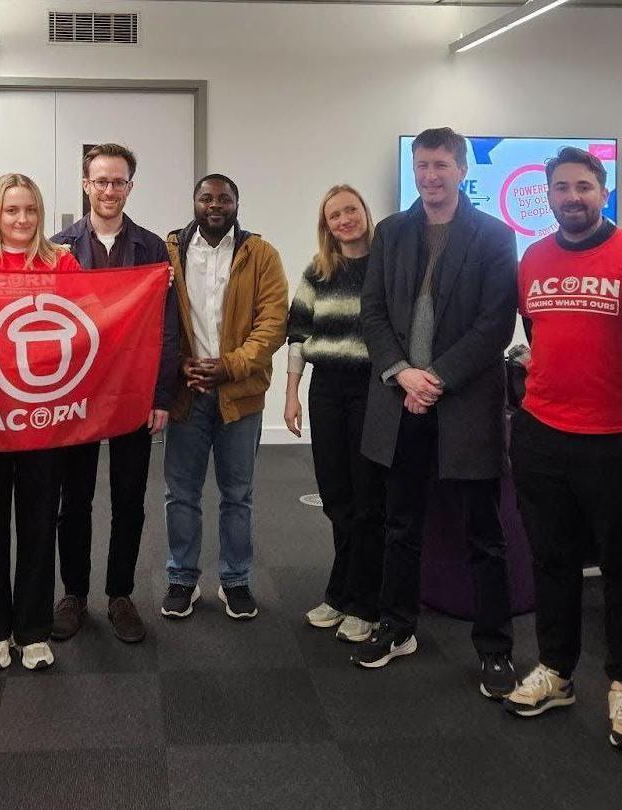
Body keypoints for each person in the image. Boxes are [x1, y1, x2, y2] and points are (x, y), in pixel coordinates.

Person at [501, 147, 622, 751]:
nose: (573, 197)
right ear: (548, 194)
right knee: (552, 560)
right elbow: (538, 333)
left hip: (619, 435)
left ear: (603, 191)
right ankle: (557, 670)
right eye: (562, 188)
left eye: (584, 186)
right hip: (541, 432)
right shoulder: (533, 259)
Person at [356, 127, 518, 697]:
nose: (430, 176)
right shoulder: (392, 232)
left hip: (465, 405)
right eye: (422, 165)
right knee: (399, 525)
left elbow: (496, 324)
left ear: (462, 167)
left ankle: (495, 649)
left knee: (484, 534)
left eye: (441, 165)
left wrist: (439, 377)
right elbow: (372, 312)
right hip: (400, 403)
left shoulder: (496, 235)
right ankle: (397, 627)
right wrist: (403, 373)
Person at [48, 143, 178, 645]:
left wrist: (161, 395)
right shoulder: (58, 247)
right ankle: (74, 594)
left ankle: (121, 594)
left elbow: (168, 328)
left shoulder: (152, 248)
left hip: (133, 393)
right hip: (75, 394)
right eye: (99, 180)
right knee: (73, 499)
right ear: (85, 184)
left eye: (117, 181)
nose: (108, 189)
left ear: (130, 186)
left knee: (129, 499)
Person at [0, 172, 83, 671]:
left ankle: (33, 627)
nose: (21, 220)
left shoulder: (63, 262)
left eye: (30, 210)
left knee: (38, 521)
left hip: (42, 414)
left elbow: (93, 320)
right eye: (11, 210)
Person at [161, 173, 288, 621]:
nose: (215, 205)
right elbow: (158, 320)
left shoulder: (261, 255)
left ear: (237, 203)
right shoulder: (169, 252)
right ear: (194, 201)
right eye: (206, 197)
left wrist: (230, 365)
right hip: (187, 393)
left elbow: (273, 322)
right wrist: (181, 365)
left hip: (240, 395)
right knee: (181, 493)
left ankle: (235, 580)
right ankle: (182, 578)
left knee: (238, 494)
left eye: (224, 198)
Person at [285, 184, 385, 644]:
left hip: (372, 390)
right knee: (336, 495)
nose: (344, 220)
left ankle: (364, 602)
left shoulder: (385, 266)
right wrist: (292, 394)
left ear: (364, 212)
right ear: (326, 226)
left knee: (368, 500)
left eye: (351, 210)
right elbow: (298, 335)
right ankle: (342, 592)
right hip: (327, 390)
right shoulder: (319, 270)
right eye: (334, 216)